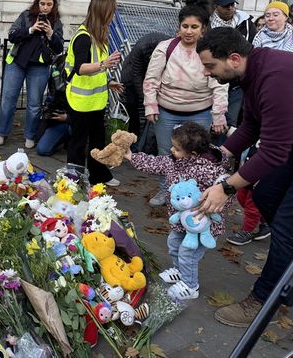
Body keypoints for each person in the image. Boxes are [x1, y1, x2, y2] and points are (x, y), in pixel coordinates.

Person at [196, 27, 293, 328]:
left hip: (285, 148)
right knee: (264, 196)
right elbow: (251, 128)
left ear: (234, 59)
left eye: (211, 66)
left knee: (286, 232)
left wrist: (225, 187)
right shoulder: (253, 72)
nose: (207, 73)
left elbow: (275, 151)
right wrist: (215, 157)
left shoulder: (274, 77)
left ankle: (265, 300)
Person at [124, 122, 231, 300]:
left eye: (177, 149)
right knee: (174, 245)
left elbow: (225, 192)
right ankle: (180, 271)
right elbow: (154, 163)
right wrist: (131, 157)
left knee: (188, 253)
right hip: (182, 220)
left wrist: (211, 209)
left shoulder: (209, 170)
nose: (172, 151)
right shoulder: (173, 161)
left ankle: (191, 286)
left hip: (202, 225)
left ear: (193, 154)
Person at [143, 0, 229, 207]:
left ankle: (193, 194)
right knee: (167, 154)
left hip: (199, 112)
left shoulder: (210, 51)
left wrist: (218, 115)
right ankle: (166, 190)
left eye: (194, 27)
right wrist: (150, 105)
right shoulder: (166, 47)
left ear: (203, 29)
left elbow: (220, 84)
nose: (189, 31)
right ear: (179, 27)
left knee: (196, 156)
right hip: (167, 112)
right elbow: (151, 79)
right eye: (185, 26)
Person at [64, 0, 122, 187]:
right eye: (111, 13)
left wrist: (108, 83)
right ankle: (74, 180)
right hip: (80, 102)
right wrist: (105, 64)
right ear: (102, 13)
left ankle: (99, 176)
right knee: (78, 144)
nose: (113, 17)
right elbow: (80, 68)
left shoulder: (98, 36)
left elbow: (95, 69)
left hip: (95, 101)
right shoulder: (83, 37)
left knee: (98, 141)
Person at [0, 0, 64, 149]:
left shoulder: (56, 22)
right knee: (8, 100)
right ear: (37, 3)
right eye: (42, 4)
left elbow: (59, 48)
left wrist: (51, 33)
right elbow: (12, 35)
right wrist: (31, 29)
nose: (45, 8)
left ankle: (30, 136)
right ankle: (2, 133)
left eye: (49, 4)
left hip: (39, 67)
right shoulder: (26, 16)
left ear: (54, 6)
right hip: (16, 63)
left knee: (34, 104)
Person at [209, 0, 257, 144]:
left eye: (232, 4)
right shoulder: (207, 23)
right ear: (216, 7)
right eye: (226, 6)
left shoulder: (246, 23)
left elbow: (250, 49)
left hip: (236, 84)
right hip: (214, 80)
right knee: (213, 120)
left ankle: (222, 155)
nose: (231, 8)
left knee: (229, 123)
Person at [120, 32, 171, 147]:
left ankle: (149, 142)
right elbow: (136, 75)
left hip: (155, 75)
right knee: (132, 106)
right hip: (131, 74)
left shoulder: (168, 47)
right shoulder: (141, 48)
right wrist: (147, 99)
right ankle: (133, 141)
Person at [225, 142, 271, 245]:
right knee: (242, 199)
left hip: (260, 178)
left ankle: (247, 231)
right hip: (246, 173)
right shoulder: (257, 132)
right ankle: (266, 222)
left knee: (252, 207)